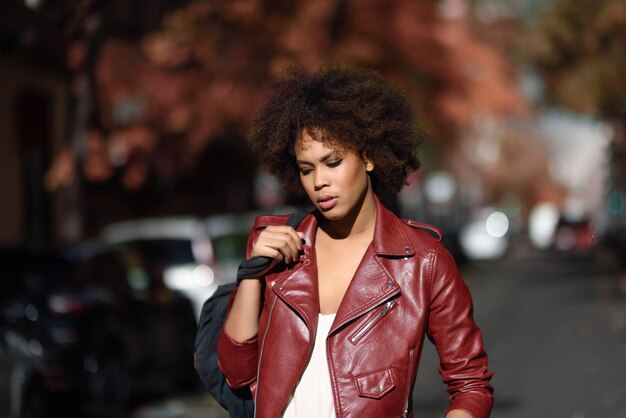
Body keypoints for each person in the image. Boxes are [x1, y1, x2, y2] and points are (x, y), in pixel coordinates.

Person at [217, 67, 493, 418]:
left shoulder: (424, 262)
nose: (319, 181)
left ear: (368, 156)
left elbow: (470, 384)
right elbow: (237, 374)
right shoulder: (279, 250)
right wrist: (253, 273)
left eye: (332, 162)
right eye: (306, 169)